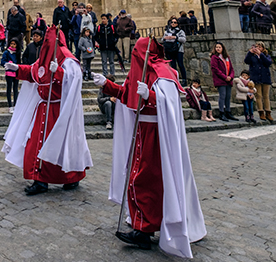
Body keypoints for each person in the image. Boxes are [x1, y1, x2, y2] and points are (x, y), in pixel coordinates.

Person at [93, 38, 206, 255]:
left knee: (145, 179)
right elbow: (127, 95)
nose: (134, 53)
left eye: (136, 50)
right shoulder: (140, 70)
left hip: (157, 135)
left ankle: (144, 231)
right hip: (141, 132)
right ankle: (142, 224)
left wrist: (150, 96)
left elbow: (170, 103)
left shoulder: (163, 72)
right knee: (138, 178)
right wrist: (105, 85)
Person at [2, 25, 91, 196]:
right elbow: (35, 71)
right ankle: (39, 179)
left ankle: (71, 177)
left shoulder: (67, 58)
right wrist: (18, 69)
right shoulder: (45, 55)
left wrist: (57, 72)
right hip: (43, 107)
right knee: (34, 144)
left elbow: (73, 80)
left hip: (60, 110)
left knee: (63, 144)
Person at [244, 41, 274, 122]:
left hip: (265, 78)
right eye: (256, 47)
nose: (257, 48)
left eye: (259, 47)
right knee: (258, 96)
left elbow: (268, 63)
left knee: (266, 96)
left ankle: (268, 112)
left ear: (263, 48)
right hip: (256, 78)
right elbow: (246, 61)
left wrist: (261, 54)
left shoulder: (266, 56)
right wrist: (250, 52)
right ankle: (261, 112)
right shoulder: (252, 56)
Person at [210, 42, 237, 121]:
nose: (218, 48)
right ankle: (221, 112)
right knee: (222, 96)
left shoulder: (226, 57)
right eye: (216, 47)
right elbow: (215, 69)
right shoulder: (214, 57)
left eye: (219, 47)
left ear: (223, 48)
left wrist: (231, 77)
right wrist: (225, 77)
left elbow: (231, 68)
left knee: (228, 97)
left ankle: (228, 111)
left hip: (228, 80)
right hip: (221, 80)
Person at [162, 17, 187, 83]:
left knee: (180, 64)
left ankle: (184, 80)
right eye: (172, 22)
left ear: (177, 24)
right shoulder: (167, 31)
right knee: (173, 66)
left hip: (178, 50)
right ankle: (175, 80)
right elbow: (162, 39)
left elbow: (184, 40)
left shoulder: (180, 31)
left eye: (175, 22)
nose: (173, 24)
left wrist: (175, 37)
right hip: (170, 50)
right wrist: (166, 38)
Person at [95, 14, 119, 79]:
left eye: (104, 19)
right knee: (104, 61)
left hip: (111, 47)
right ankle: (105, 73)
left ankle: (112, 73)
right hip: (103, 47)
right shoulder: (100, 27)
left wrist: (114, 41)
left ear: (107, 19)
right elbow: (96, 36)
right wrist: (100, 42)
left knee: (111, 61)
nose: (103, 20)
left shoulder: (112, 26)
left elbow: (116, 35)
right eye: (102, 19)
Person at [2, 41, 20, 113]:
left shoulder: (17, 53)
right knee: (9, 89)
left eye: (14, 44)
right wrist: (8, 64)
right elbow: (2, 62)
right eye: (11, 44)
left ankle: (16, 104)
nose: (12, 45)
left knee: (15, 89)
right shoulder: (6, 52)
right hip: (9, 73)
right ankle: (10, 105)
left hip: (16, 73)